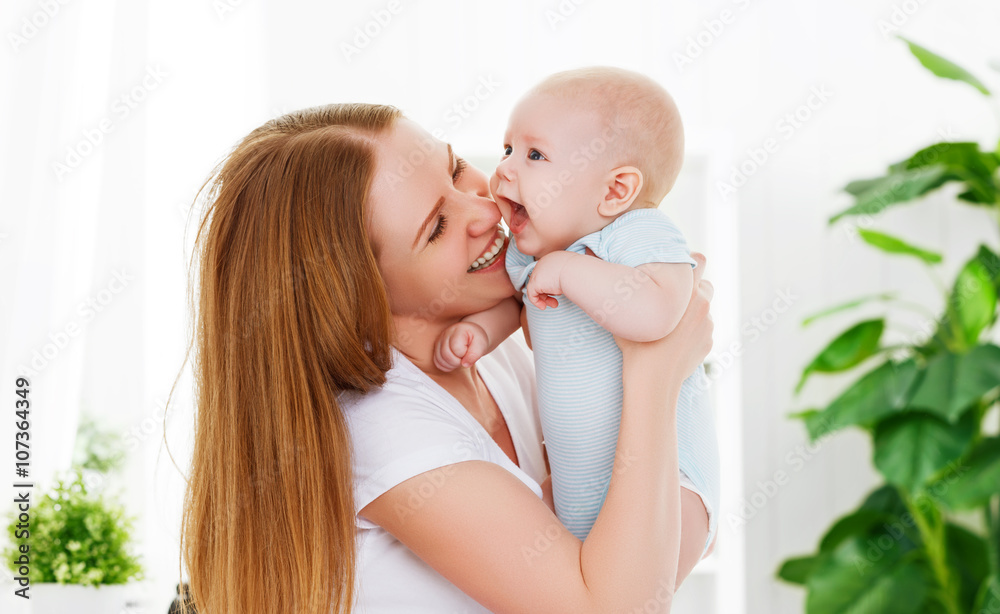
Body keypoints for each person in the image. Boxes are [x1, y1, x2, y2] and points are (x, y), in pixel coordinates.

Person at [179, 102, 715, 614]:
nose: (486, 209)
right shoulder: (383, 428)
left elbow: (630, 550)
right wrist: (655, 365)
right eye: (436, 227)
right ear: (359, 292)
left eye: (456, 169)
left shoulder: (487, 345)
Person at [432, 67, 720, 555]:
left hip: (670, 482)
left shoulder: (635, 234)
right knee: (544, 562)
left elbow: (661, 312)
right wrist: (480, 333)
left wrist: (568, 271)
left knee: (638, 581)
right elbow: (518, 306)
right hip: (572, 486)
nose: (505, 170)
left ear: (614, 192)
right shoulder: (532, 253)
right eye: (507, 150)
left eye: (534, 155)